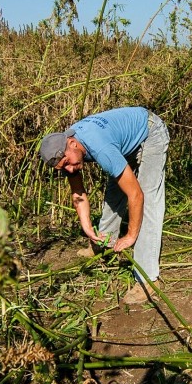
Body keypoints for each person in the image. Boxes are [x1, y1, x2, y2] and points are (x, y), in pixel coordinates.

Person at [39, 106, 169, 304]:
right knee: (115, 189)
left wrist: (130, 236)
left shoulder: (99, 147)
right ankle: (103, 243)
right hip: (121, 140)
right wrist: (87, 227)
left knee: (148, 197)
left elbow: (136, 195)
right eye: (63, 168)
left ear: (72, 143)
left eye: (68, 163)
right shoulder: (66, 151)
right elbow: (78, 193)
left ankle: (148, 279)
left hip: (150, 132)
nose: (69, 169)